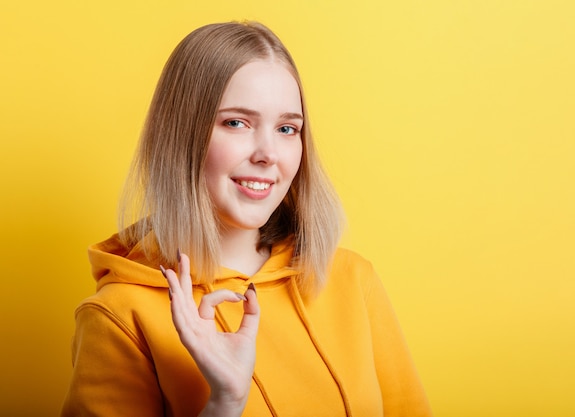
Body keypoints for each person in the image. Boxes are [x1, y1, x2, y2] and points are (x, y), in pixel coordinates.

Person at [61, 21, 432, 417]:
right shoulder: (120, 314)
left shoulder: (351, 279)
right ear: (181, 134)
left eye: (287, 128)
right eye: (236, 122)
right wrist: (225, 402)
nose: (268, 153)